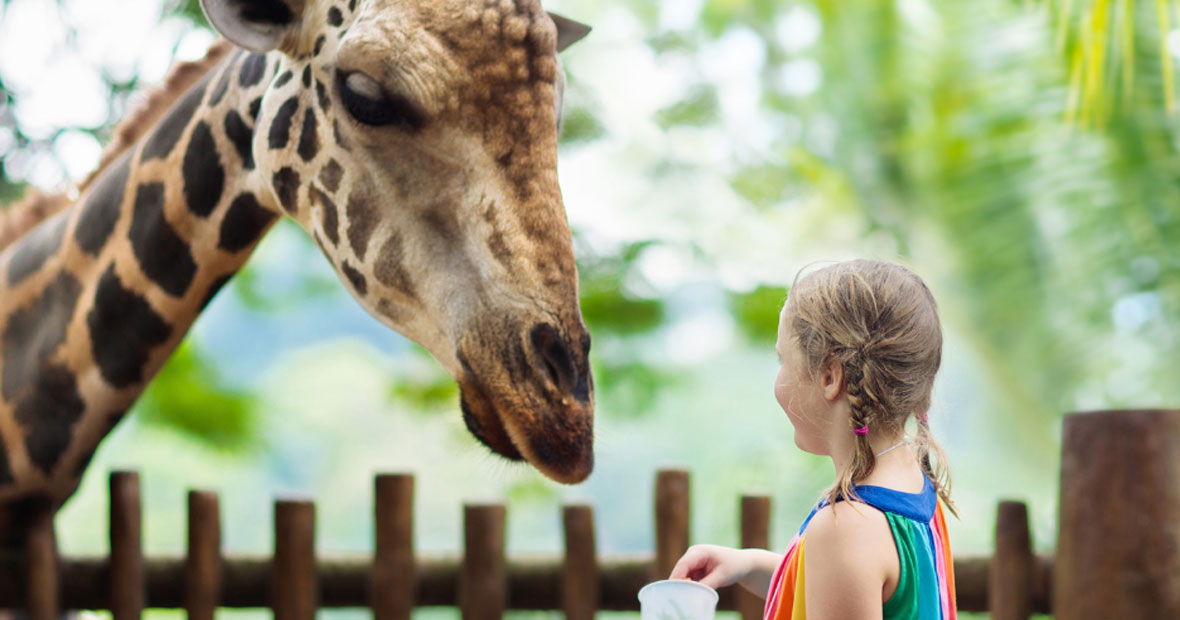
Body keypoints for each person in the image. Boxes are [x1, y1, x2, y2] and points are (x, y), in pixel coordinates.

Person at [670, 259, 957, 619]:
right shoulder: (912, 482)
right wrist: (749, 564)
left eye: (782, 360)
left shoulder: (845, 530)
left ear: (829, 376)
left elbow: (844, 574)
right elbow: (844, 590)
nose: (778, 379)